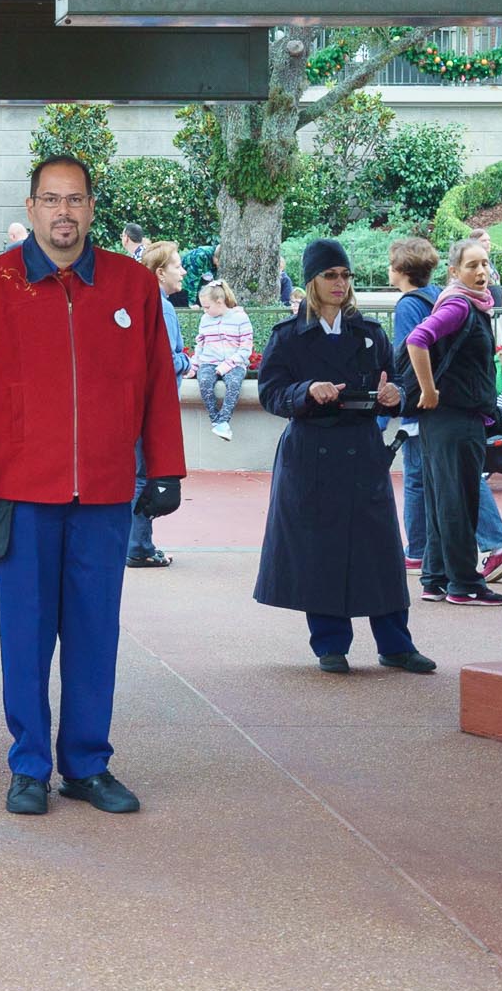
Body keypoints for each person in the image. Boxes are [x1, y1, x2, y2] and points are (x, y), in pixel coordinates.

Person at [0, 156, 184, 816]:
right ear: (30, 208)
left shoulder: (133, 285)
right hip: (19, 494)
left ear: (91, 209)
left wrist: (164, 468)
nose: (63, 213)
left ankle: (85, 764)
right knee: (25, 634)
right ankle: (29, 767)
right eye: (51, 200)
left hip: (105, 495)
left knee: (93, 632)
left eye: (75, 200)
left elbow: (159, 384)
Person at [254, 240, 430, 675]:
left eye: (345, 275)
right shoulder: (288, 336)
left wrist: (395, 395)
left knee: (381, 552)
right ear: (312, 280)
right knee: (322, 552)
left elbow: (395, 386)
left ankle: (396, 643)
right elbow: (271, 394)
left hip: (363, 454)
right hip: (312, 455)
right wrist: (307, 391)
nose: (340, 283)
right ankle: (330, 644)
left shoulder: (369, 333)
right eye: (331, 275)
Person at [389, 235, 502, 575]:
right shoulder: (456, 302)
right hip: (448, 409)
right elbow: (418, 344)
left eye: (485, 264)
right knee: (446, 487)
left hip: (444, 410)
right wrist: (425, 392)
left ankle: (444, 564)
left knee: (445, 488)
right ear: (454, 270)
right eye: (474, 265)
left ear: (400, 269)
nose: (482, 271)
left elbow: (413, 344)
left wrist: (424, 394)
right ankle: (439, 566)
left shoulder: (450, 303)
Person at [128, 240, 190, 569]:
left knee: (139, 475)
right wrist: (185, 361)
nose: (183, 271)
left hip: (141, 403)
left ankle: (135, 542)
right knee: (144, 475)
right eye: (178, 265)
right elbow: (163, 358)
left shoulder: (145, 302)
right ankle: (138, 545)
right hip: (153, 405)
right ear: (160, 272)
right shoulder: (161, 306)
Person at [191, 279, 256, 438]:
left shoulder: (241, 318)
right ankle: (217, 422)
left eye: (207, 307)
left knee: (234, 383)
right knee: (204, 381)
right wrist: (193, 366)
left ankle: (224, 420)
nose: (204, 311)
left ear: (220, 302)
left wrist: (227, 365)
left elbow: (245, 348)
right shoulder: (205, 320)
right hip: (209, 362)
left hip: (235, 363)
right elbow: (200, 346)